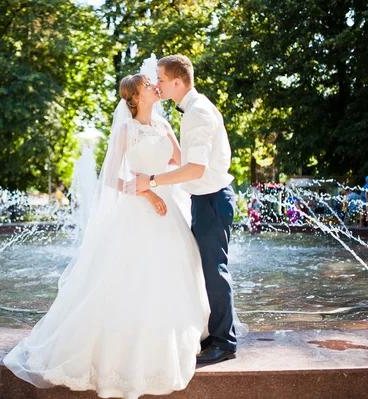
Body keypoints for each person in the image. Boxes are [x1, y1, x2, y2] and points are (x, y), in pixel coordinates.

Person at [3, 73, 211, 398]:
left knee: (176, 272)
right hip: (138, 211)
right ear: (136, 96)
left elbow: (181, 163)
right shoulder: (128, 130)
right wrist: (149, 194)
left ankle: (177, 335)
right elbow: (113, 178)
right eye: (148, 84)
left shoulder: (165, 126)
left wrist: (162, 184)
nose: (155, 85)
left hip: (168, 209)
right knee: (129, 281)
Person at [135, 54, 238, 364]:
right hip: (204, 200)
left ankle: (225, 343)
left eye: (162, 80)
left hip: (212, 200)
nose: (158, 85)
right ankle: (217, 336)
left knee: (214, 271)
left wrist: (150, 182)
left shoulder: (198, 113)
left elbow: (195, 169)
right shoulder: (193, 110)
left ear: (177, 82)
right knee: (204, 269)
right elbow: (188, 163)